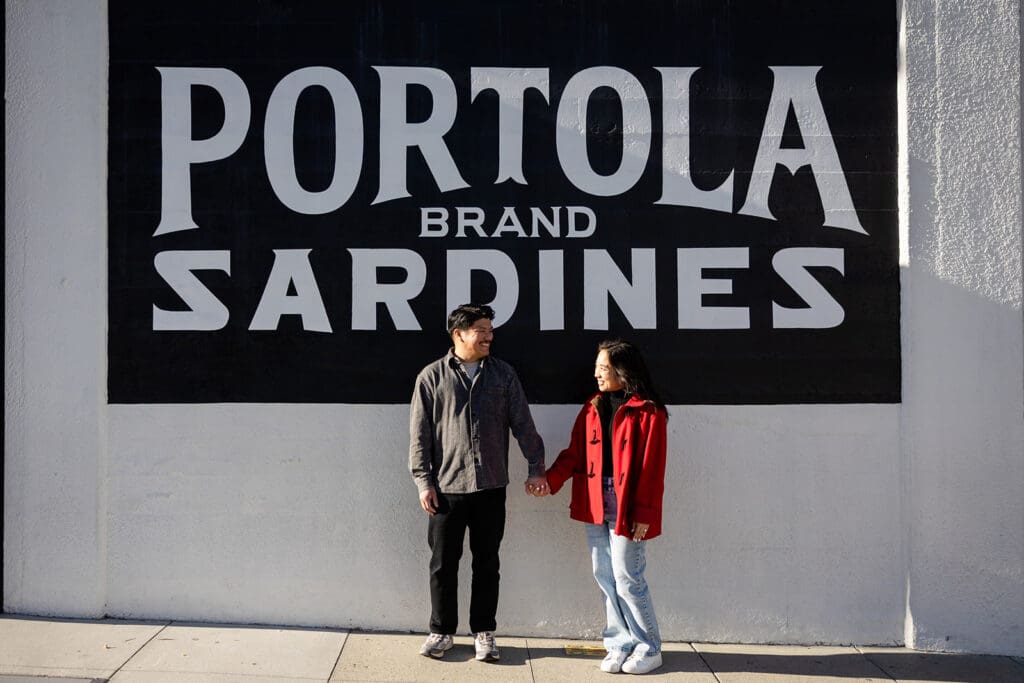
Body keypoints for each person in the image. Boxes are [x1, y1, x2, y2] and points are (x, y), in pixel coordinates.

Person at [409, 303, 548, 662]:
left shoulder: (503, 375)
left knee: (487, 563)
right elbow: (420, 435)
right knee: (443, 564)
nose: (489, 335)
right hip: (445, 489)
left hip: (490, 487)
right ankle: (440, 632)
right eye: (481, 329)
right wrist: (424, 481)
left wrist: (536, 466)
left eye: (490, 329)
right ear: (459, 334)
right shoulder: (431, 377)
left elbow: (523, 423)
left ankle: (483, 633)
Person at [545, 340, 667, 675]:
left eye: (605, 369)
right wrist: (550, 481)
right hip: (595, 500)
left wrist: (645, 514)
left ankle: (649, 647)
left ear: (623, 372)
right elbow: (574, 453)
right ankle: (619, 643)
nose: (597, 374)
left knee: (628, 577)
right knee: (605, 576)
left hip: (628, 505)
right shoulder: (592, 406)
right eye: (597, 368)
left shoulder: (648, 411)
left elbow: (652, 469)